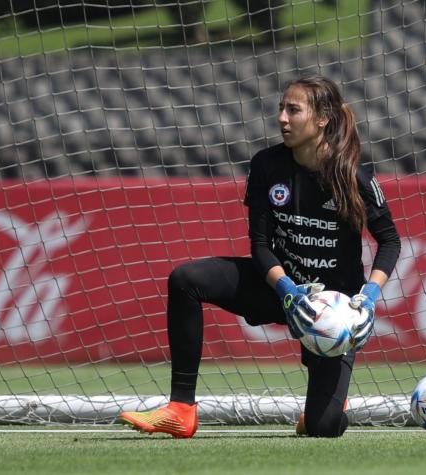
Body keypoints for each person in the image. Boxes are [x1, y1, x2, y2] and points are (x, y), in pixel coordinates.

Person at [119, 75, 401, 438]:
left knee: (323, 427)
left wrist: (369, 297)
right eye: (281, 108)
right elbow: (260, 245)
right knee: (186, 280)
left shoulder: (354, 177)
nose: (282, 118)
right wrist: (286, 288)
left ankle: (330, 402)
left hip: (332, 312)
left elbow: (390, 241)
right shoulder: (267, 165)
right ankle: (181, 409)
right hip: (279, 290)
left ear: (322, 119)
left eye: (293, 110)